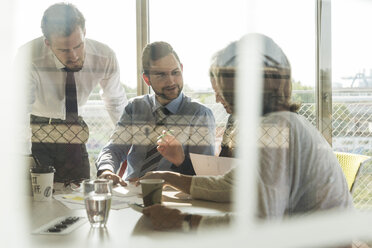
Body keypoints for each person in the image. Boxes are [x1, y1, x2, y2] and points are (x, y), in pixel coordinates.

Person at [140, 33, 353, 231]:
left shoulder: (273, 129)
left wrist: (181, 220)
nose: (217, 98)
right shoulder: (281, 123)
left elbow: (260, 225)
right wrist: (167, 176)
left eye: (221, 89)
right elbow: (230, 184)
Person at [15, 3, 128, 182]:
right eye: (64, 50)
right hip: (37, 129)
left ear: (85, 32)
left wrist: (128, 141)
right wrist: (22, 157)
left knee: (78, 195)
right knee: (39, 199)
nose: (74, 55)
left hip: (74, 130)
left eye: (78, 46)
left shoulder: (105, 56)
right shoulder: (28, 56)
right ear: (48, 44)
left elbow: (115, 102)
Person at [96, 41, 215, 186]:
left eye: (175, 72)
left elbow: (205, 177)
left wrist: (181, 161)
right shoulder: (135, 108)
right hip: (131, 192)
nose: (171, 81)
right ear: (147, 79)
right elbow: (113, 149)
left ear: (182, 69)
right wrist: (106, 170)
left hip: (173, 196)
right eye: (161, 75)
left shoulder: (200, 115)